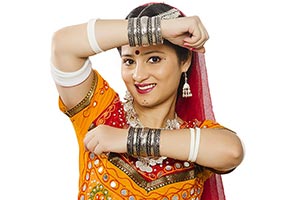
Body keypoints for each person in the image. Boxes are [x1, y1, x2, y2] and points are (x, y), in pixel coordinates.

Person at [51, 2, 244, 200]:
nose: (138, 75)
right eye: (129, 61)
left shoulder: (193, 137)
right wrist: (160, 29)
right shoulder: (100, 113)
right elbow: (63, 46)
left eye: (154, 59)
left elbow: (232, 151)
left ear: (184, 61)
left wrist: (129, 140)